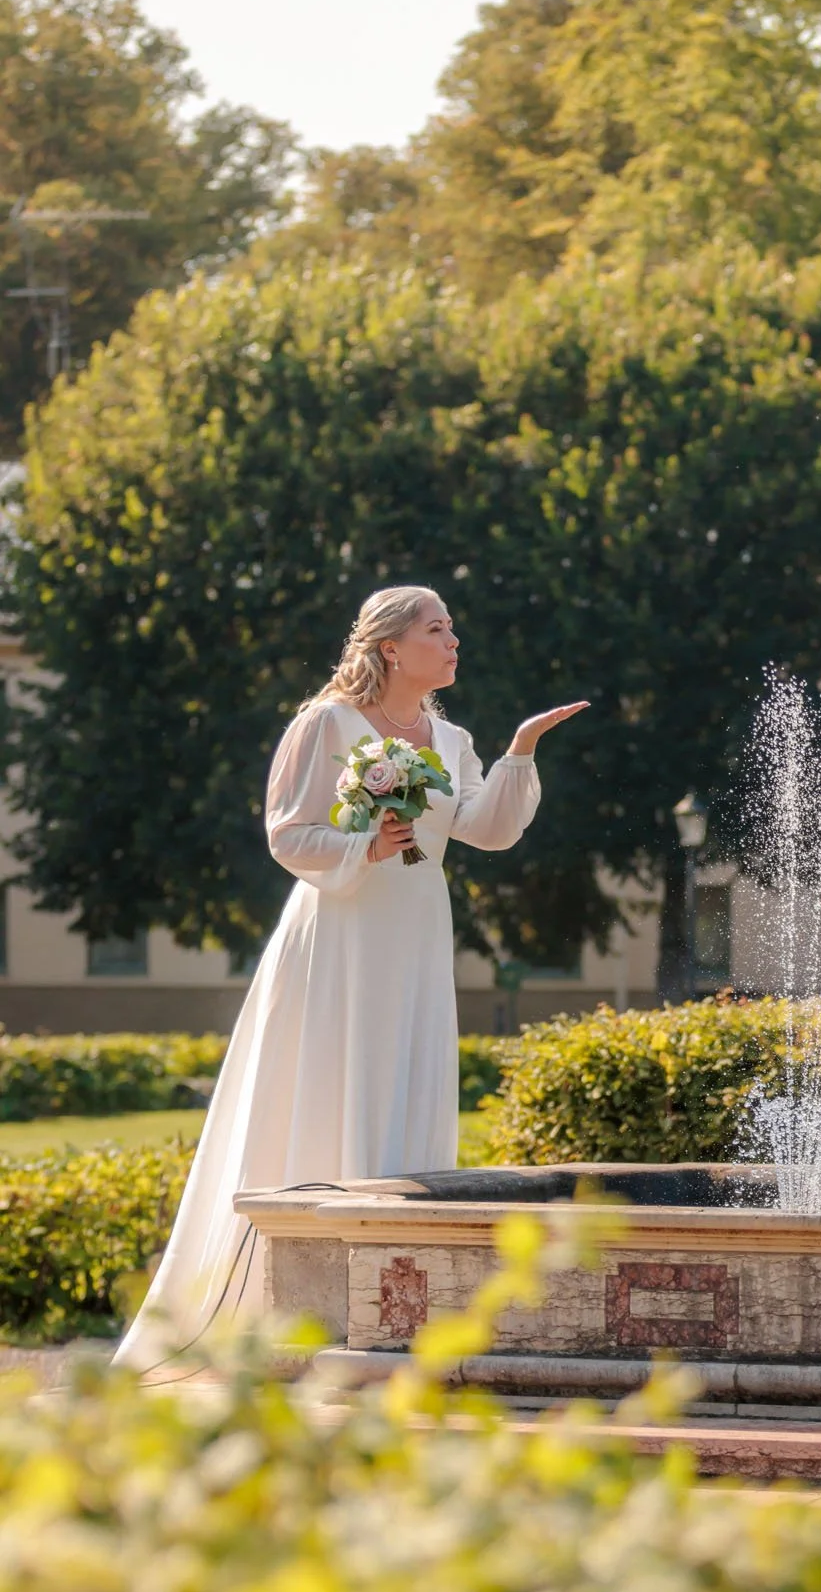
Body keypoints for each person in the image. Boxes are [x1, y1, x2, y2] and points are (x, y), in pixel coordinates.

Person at [118, 585, 587, 1367]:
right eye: (437, 628)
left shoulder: (453, 736)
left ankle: (395, 1301)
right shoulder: (326, 723)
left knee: (402, 1078)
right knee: (331, 1081)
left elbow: (487, 829)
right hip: (340, 932)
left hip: (415, 933)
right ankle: (300, 1302)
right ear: (392, 648)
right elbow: (286, 831)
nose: (453, 639)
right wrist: (359, 849)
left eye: (452, 626)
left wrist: (522, 749)